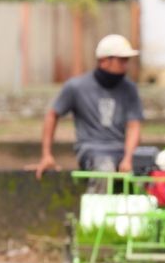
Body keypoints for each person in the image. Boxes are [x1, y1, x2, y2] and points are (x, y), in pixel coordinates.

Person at [36, 34, 144, 183]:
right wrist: (46, 154)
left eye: (127, 61)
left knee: (146, 170)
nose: (126, 66)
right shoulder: (76, 87)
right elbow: (52, 115)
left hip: (121, 149)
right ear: (104, 61)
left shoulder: (129, 89)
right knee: (104, 171)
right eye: (122, 60)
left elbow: (134, 126)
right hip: (92, 149)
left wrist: (129, 158)